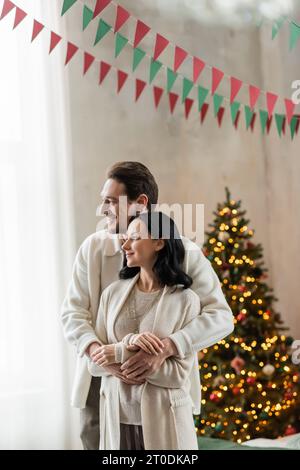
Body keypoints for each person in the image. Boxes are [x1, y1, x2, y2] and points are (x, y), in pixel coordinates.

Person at [61, 161, 234, 450]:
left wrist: (168, 347)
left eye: (110, 202)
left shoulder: (185, 253)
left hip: (161, 388)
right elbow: (73, 313)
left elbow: (220, 317)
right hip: (100, 387)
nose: (103, 210)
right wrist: (101, 356)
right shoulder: (93, 249)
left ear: (140, 203)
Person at [88, 211, 202, 449]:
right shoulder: (111, 294)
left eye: (135, 238)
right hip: (117, 422)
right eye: (125, 238)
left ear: (159, 242)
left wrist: (121, 353)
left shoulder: (185, 300)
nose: (125, 245)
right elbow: (95, 363)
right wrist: (130, 346)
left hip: (165, 421)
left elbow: (179, 374)